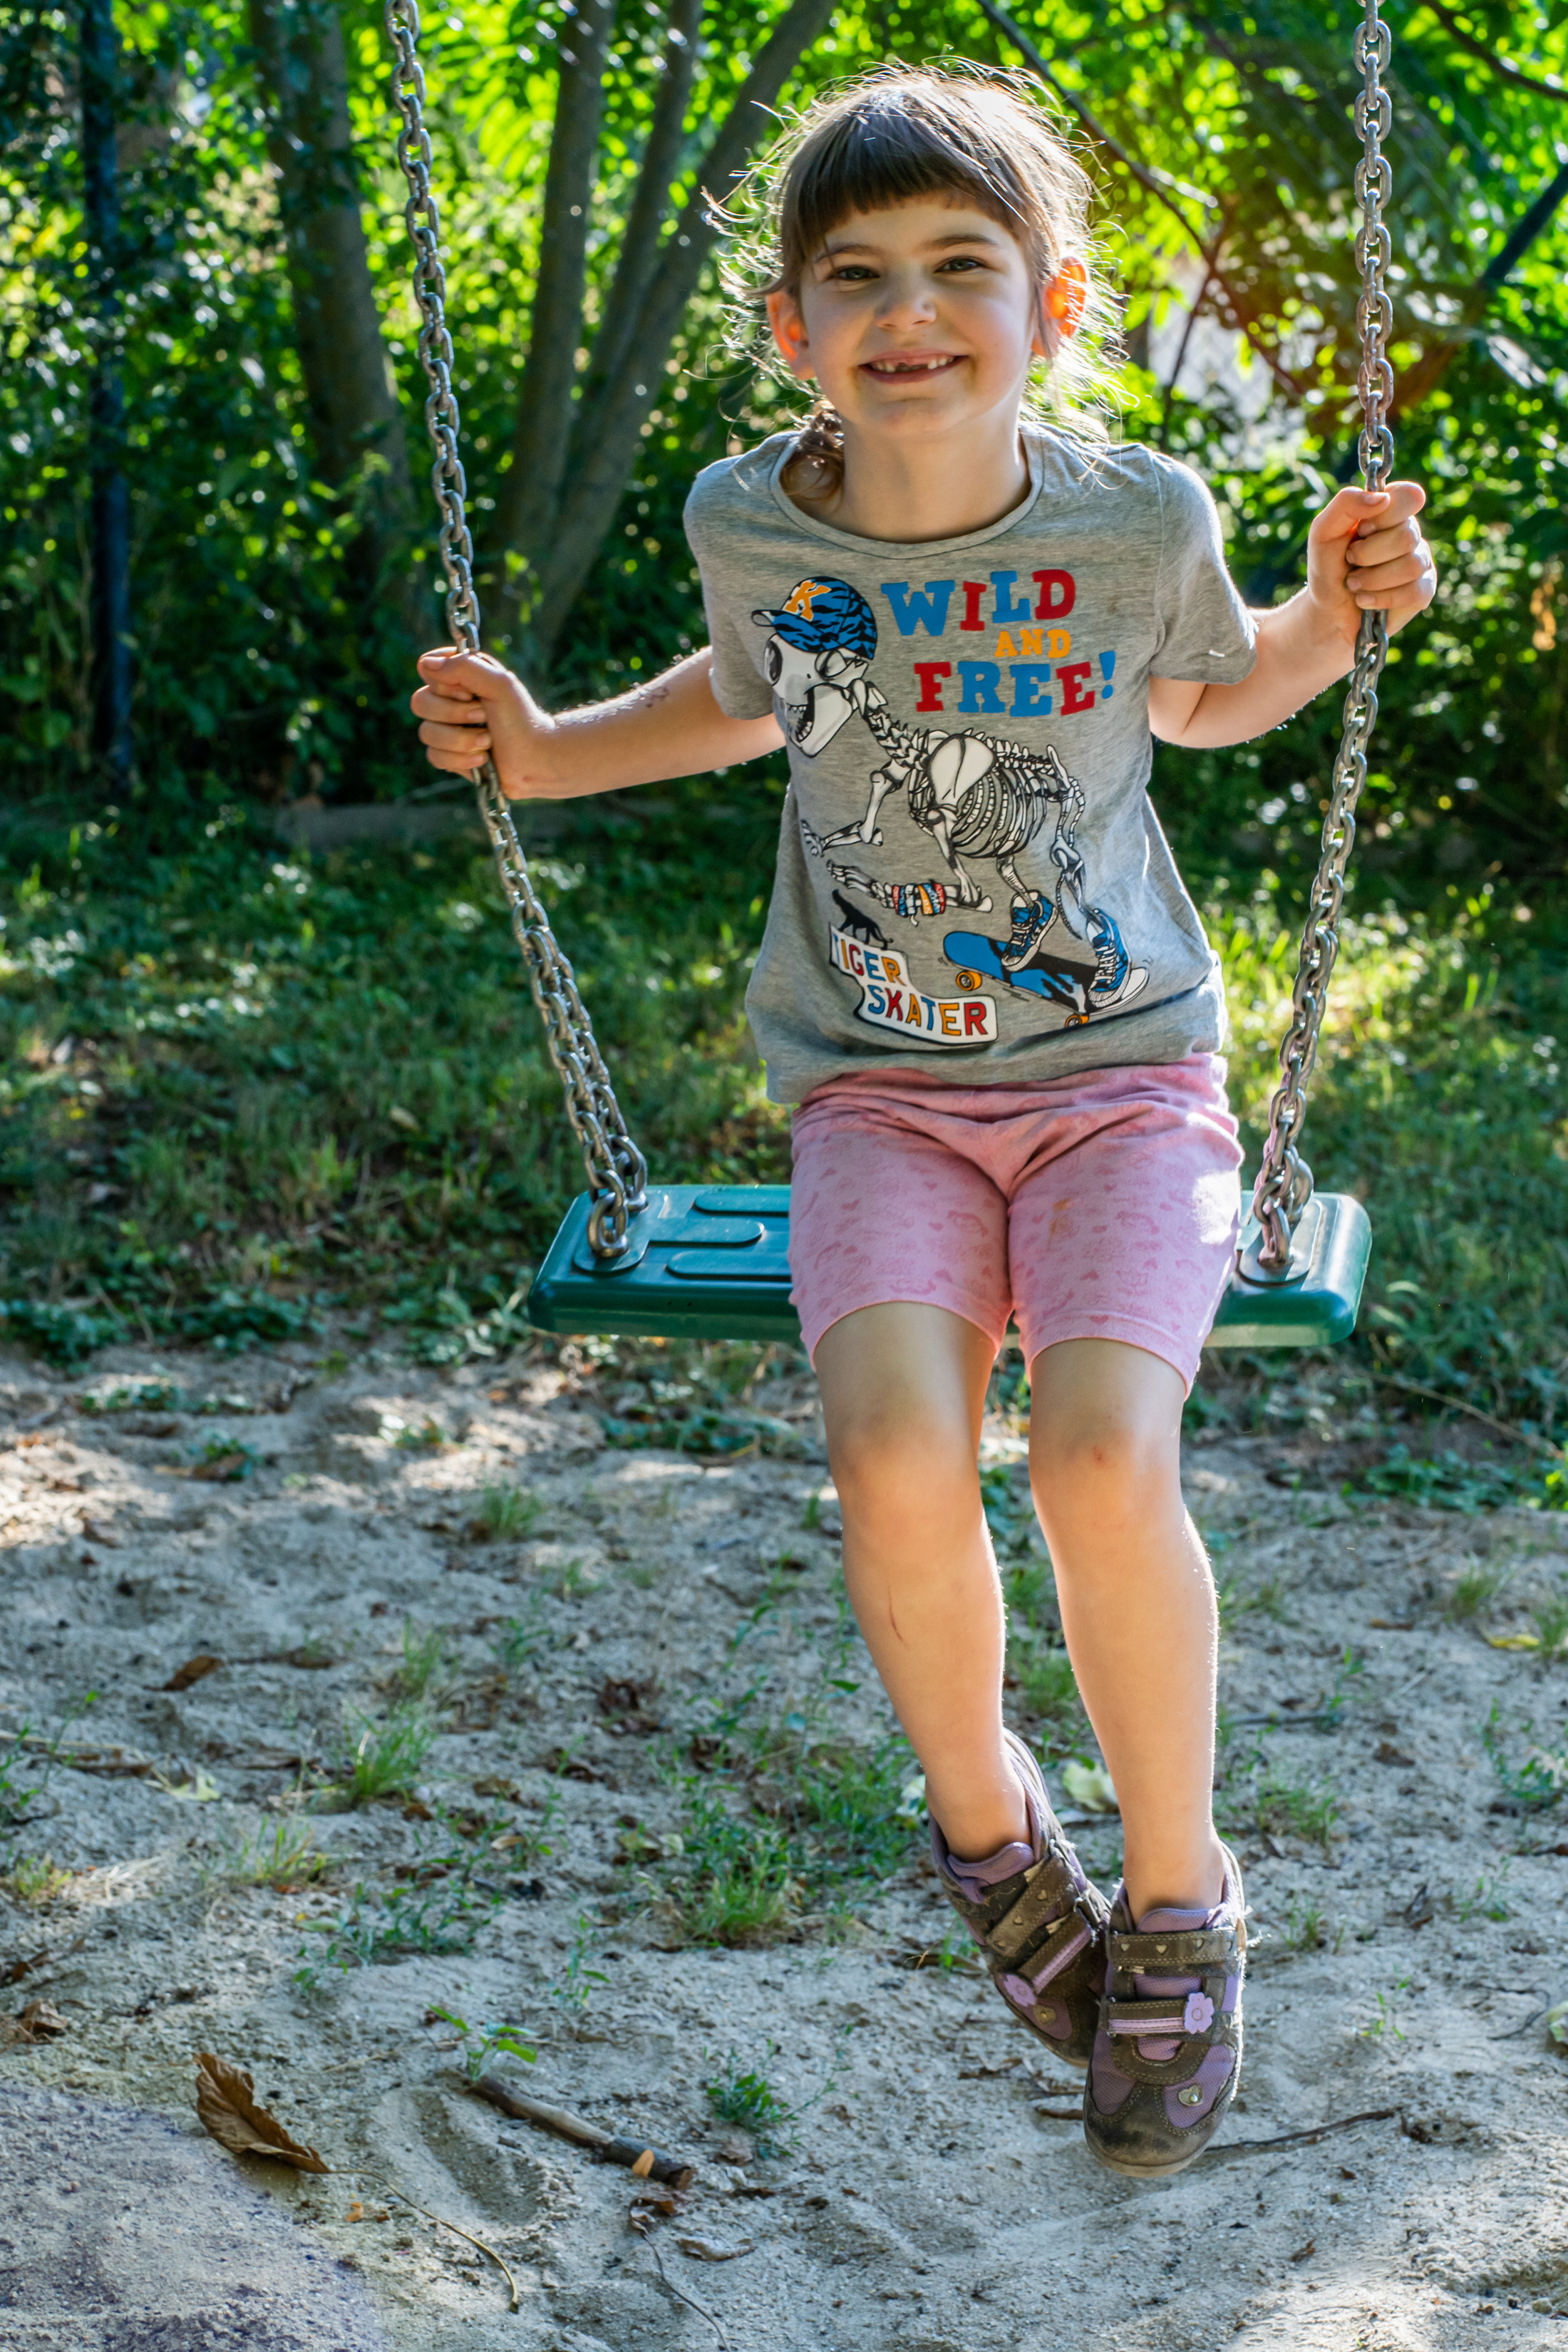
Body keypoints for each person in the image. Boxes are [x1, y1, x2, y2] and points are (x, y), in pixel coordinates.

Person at [410, 65, 1435, 2177]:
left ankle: (1179, 1892)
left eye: (963, 268)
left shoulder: (1131, 520)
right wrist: (542, 749)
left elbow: (1210, 689)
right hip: (874, 1088)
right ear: (795, 327)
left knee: (1091, 1453)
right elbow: (742, 696)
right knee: (887, 1449)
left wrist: (1339, 619)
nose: (911, 311)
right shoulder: (749, 521)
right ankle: (992, 1843)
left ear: (1048, 307)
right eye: (857, 276)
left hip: (1122, 1082)